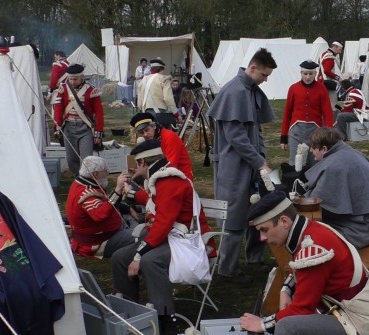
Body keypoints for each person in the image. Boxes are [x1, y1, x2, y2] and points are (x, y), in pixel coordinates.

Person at [239, 191, 368, 335]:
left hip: (357, 322)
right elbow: (302, 268)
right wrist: (286, 289)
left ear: (284, 221)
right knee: (288, 323)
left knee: (288, 330)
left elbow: (302, 309)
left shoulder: (313, 245)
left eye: (264, 230)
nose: (262, 238)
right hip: (347, 310)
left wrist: (261, 324)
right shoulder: (310, 230)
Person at [110, 140, 193, 335]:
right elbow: (152, 199)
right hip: (165, 236)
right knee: (119, 258)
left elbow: (163, 223)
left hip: (183, 239)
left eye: (137, 164)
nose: (136, 169)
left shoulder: (170, 180)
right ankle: (132, 311)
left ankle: (167, 320)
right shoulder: (161, 178)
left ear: (143, 162)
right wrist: (131, 193)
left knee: (149, 261)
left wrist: (139, 255)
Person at [207, 48, 277, 283]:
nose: (265, 80)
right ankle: (227, 269)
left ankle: (254, 258)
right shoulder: (235, 91)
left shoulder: (250, 90)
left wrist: (261, 157)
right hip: (234, 167)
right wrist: (260, 162)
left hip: (252, 165)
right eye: (264, 75)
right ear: (253, 68)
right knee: (234, 218)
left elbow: (255, 130)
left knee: (260, 211)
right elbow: (236, 138)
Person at [129, 112, 216, 255]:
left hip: (177, 180)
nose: (145, 134)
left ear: (154, 126)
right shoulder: (155, 138)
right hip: (163, 179)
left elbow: (169, 166)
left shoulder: (169, 137)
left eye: (146, 130)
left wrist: (144, 175)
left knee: (166, 214)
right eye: (141, 132)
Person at [305, 128, 369, 262]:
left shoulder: (336, 165)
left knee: (313, 235)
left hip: (366, 227)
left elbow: (318, 203)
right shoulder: (348, 153)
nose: (311, 150)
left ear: (324, 149)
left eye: (313, 147)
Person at [66, 156, 136, 258]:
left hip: (101, 234)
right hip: (98, 243)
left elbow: (103, 203)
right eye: (105, 171)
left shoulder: (80, 184)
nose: (108, 173)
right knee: (141, 236)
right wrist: (117, 190)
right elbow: (100, 215)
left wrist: (125, 207)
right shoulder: (86, 194)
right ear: (95, 174)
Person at [53, 63, 104, 177]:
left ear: (82, 76)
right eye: (70, 79)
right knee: (71, 159)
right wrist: (57, 125)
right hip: (69, 128)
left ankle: (85, 179)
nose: (72, 81)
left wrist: (98, 132)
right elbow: (58, 108)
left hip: (85, 128)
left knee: (87, 159)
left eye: (75, 79)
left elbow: (99, 113)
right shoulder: (63, 89)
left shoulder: (91, 90)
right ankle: (78, 177)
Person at [280, 60, 333, 168]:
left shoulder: (322, 89)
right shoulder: (293, 88)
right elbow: (287, 113)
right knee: (295, 162)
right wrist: (284, 137)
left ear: (315, 74)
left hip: (315, 131)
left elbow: (327, 113)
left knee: (314, 161)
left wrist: (329, 136)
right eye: (305, 74)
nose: (308, 77)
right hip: (296, 131)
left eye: (310, 74)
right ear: (301, 73)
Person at [317, 41, 343, 107]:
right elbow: (326, 71)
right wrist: (338, 78)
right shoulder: (330, 57)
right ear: (334, 47)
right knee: (331, 102)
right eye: (339, 49)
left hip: (321, 80)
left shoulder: (324, 54)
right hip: (326, 82)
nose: (340, 52)